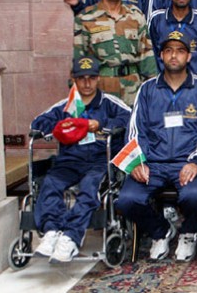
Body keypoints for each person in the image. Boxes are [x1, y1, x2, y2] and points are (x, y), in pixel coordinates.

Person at [115, 30, 197, 262]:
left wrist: (195, 162)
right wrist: (137, 162)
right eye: (169, 50)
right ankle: (160, 232)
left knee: (195, 197)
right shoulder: (147, 89)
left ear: (188, 56)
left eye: (180, 51)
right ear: (161, 55)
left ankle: (188, 232)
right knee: (126, 201)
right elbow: (134, 131)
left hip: (188, 162)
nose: (174, 56)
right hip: (153, 164)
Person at [31, 56, 131, 263]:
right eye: (81, 78)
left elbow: (130, 118)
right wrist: (59, 128)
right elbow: (38, 123)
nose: (87, 83)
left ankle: (71, 237)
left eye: (91, 78)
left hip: (98, 161)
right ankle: (51, 231)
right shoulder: (64, 106)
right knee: (50, 183)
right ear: (73, 78)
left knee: (89, 186)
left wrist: (100, 123)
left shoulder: (109, 103)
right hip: (69, 160)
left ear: (98, 78)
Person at [73, 0, 157, 106]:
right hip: (101, 89)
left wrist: (153, 92)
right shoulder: (85, 18)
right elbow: (79, 61)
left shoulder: (135, 16)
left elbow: (147, 58)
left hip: (132, 88)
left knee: (131, 127)